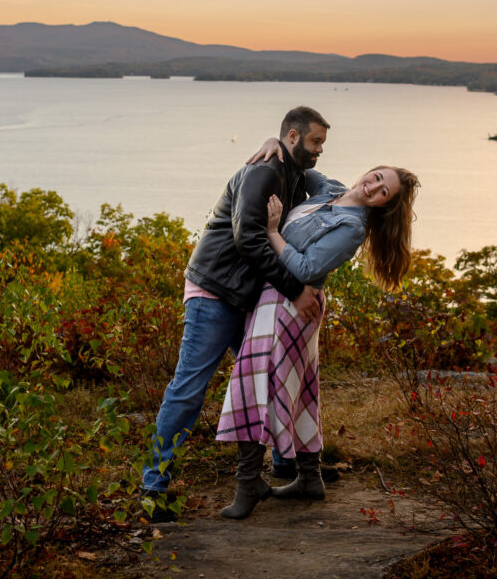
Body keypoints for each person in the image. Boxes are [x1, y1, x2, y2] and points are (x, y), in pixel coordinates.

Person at [139, 106, 330, 522]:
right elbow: (247, 239)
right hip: (216, 291)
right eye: (315, 142)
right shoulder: (263, 172)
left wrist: (273, 141)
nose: (320, 151)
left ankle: (283, 466)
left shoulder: (296, 173)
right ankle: (153, 487)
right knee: (188, 389)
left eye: (323, 144)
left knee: (273, 377)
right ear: (294, 137)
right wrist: (296, 290)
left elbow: (335, 189)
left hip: (249, 298)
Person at [215, 163, 420, 519]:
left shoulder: (352, 227)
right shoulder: (330, 189)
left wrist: (272, 231)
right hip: (283, 299)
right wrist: (273, 142)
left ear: (384, 205)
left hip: (292, 303)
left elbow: (306, 270)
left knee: (253, 386)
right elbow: (298, 165)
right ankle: (309, 479)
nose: (372, 186)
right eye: (376, 176)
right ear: (369, 171)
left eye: (383, 191)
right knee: (301, 389)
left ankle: (247, 484)